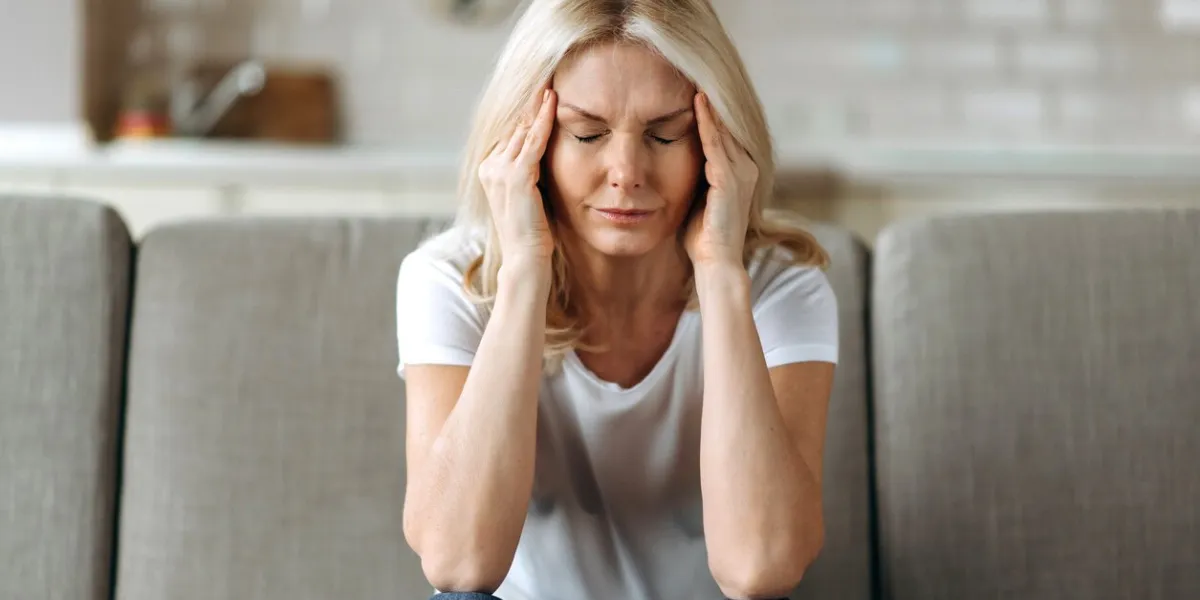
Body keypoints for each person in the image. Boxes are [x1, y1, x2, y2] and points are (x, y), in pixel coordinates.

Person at [394, 1, 839, 599]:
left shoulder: (782, 287)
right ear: (528, 142)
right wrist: (525, 270)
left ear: (717, 145)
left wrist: (720, 273)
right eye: (586, 133)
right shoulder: (448, 278)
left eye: (664, 134)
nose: (626, 171)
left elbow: (761, 567)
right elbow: (458, 564)